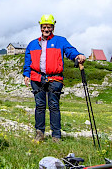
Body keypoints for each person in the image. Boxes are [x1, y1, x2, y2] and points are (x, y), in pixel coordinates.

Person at [23, 14, 86, 143]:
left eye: (49, 27)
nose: (47, 29)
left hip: (55, 79)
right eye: (44, 27)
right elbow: (27, 61)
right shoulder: (32, 44)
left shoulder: (60, 41)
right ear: (41, 27)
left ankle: (56, 136)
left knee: (54, 106)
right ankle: (39, 134)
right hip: (37, 78)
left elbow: (70, 50)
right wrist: (26, 74)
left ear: (53, 27)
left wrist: (77, 55)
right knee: (39, 106)